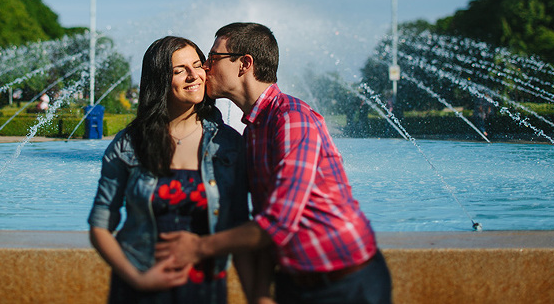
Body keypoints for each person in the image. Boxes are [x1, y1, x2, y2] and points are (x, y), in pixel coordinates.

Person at [156, 23, 392, 304]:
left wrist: (198, 247)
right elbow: (265, 219)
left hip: (347, 284)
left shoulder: (291, 118)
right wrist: (260, 293)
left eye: (212, 58)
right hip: (295, 282)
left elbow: (278, 222)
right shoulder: (255, 130)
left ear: (244, 63)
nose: (205, 68)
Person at [88, 36, 251, 304]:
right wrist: (137, 278)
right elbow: (100, 225)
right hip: (140, 288)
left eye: (198, 65)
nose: (193, 76)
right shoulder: (129, 144)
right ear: (160, 80)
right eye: (179, 71)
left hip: (204, 290)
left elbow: (239, 226)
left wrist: (255, 296)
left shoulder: (229, 145)